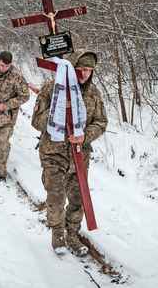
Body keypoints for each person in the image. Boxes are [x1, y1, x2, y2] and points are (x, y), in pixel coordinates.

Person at [31, 51, 107, 257]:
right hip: (53, 153)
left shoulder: (93, 94)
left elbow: (101, 123)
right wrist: (58, 112)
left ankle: (72, 234)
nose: (85, 74)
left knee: (77, 198)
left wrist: (85, 135)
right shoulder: (51, 88)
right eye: (81, 69)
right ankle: (57, 235)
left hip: (79, 156)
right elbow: (36, 121)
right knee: (56, 197)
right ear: (72, 69)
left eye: (89, 70)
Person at [0, 51, 29, 180]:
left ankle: (1, 173)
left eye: (7, 66)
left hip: (7, 118)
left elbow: (25, 96)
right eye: (2, 65)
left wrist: (7, 105)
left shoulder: (16, 75)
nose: (4, 68)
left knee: (2, 145)